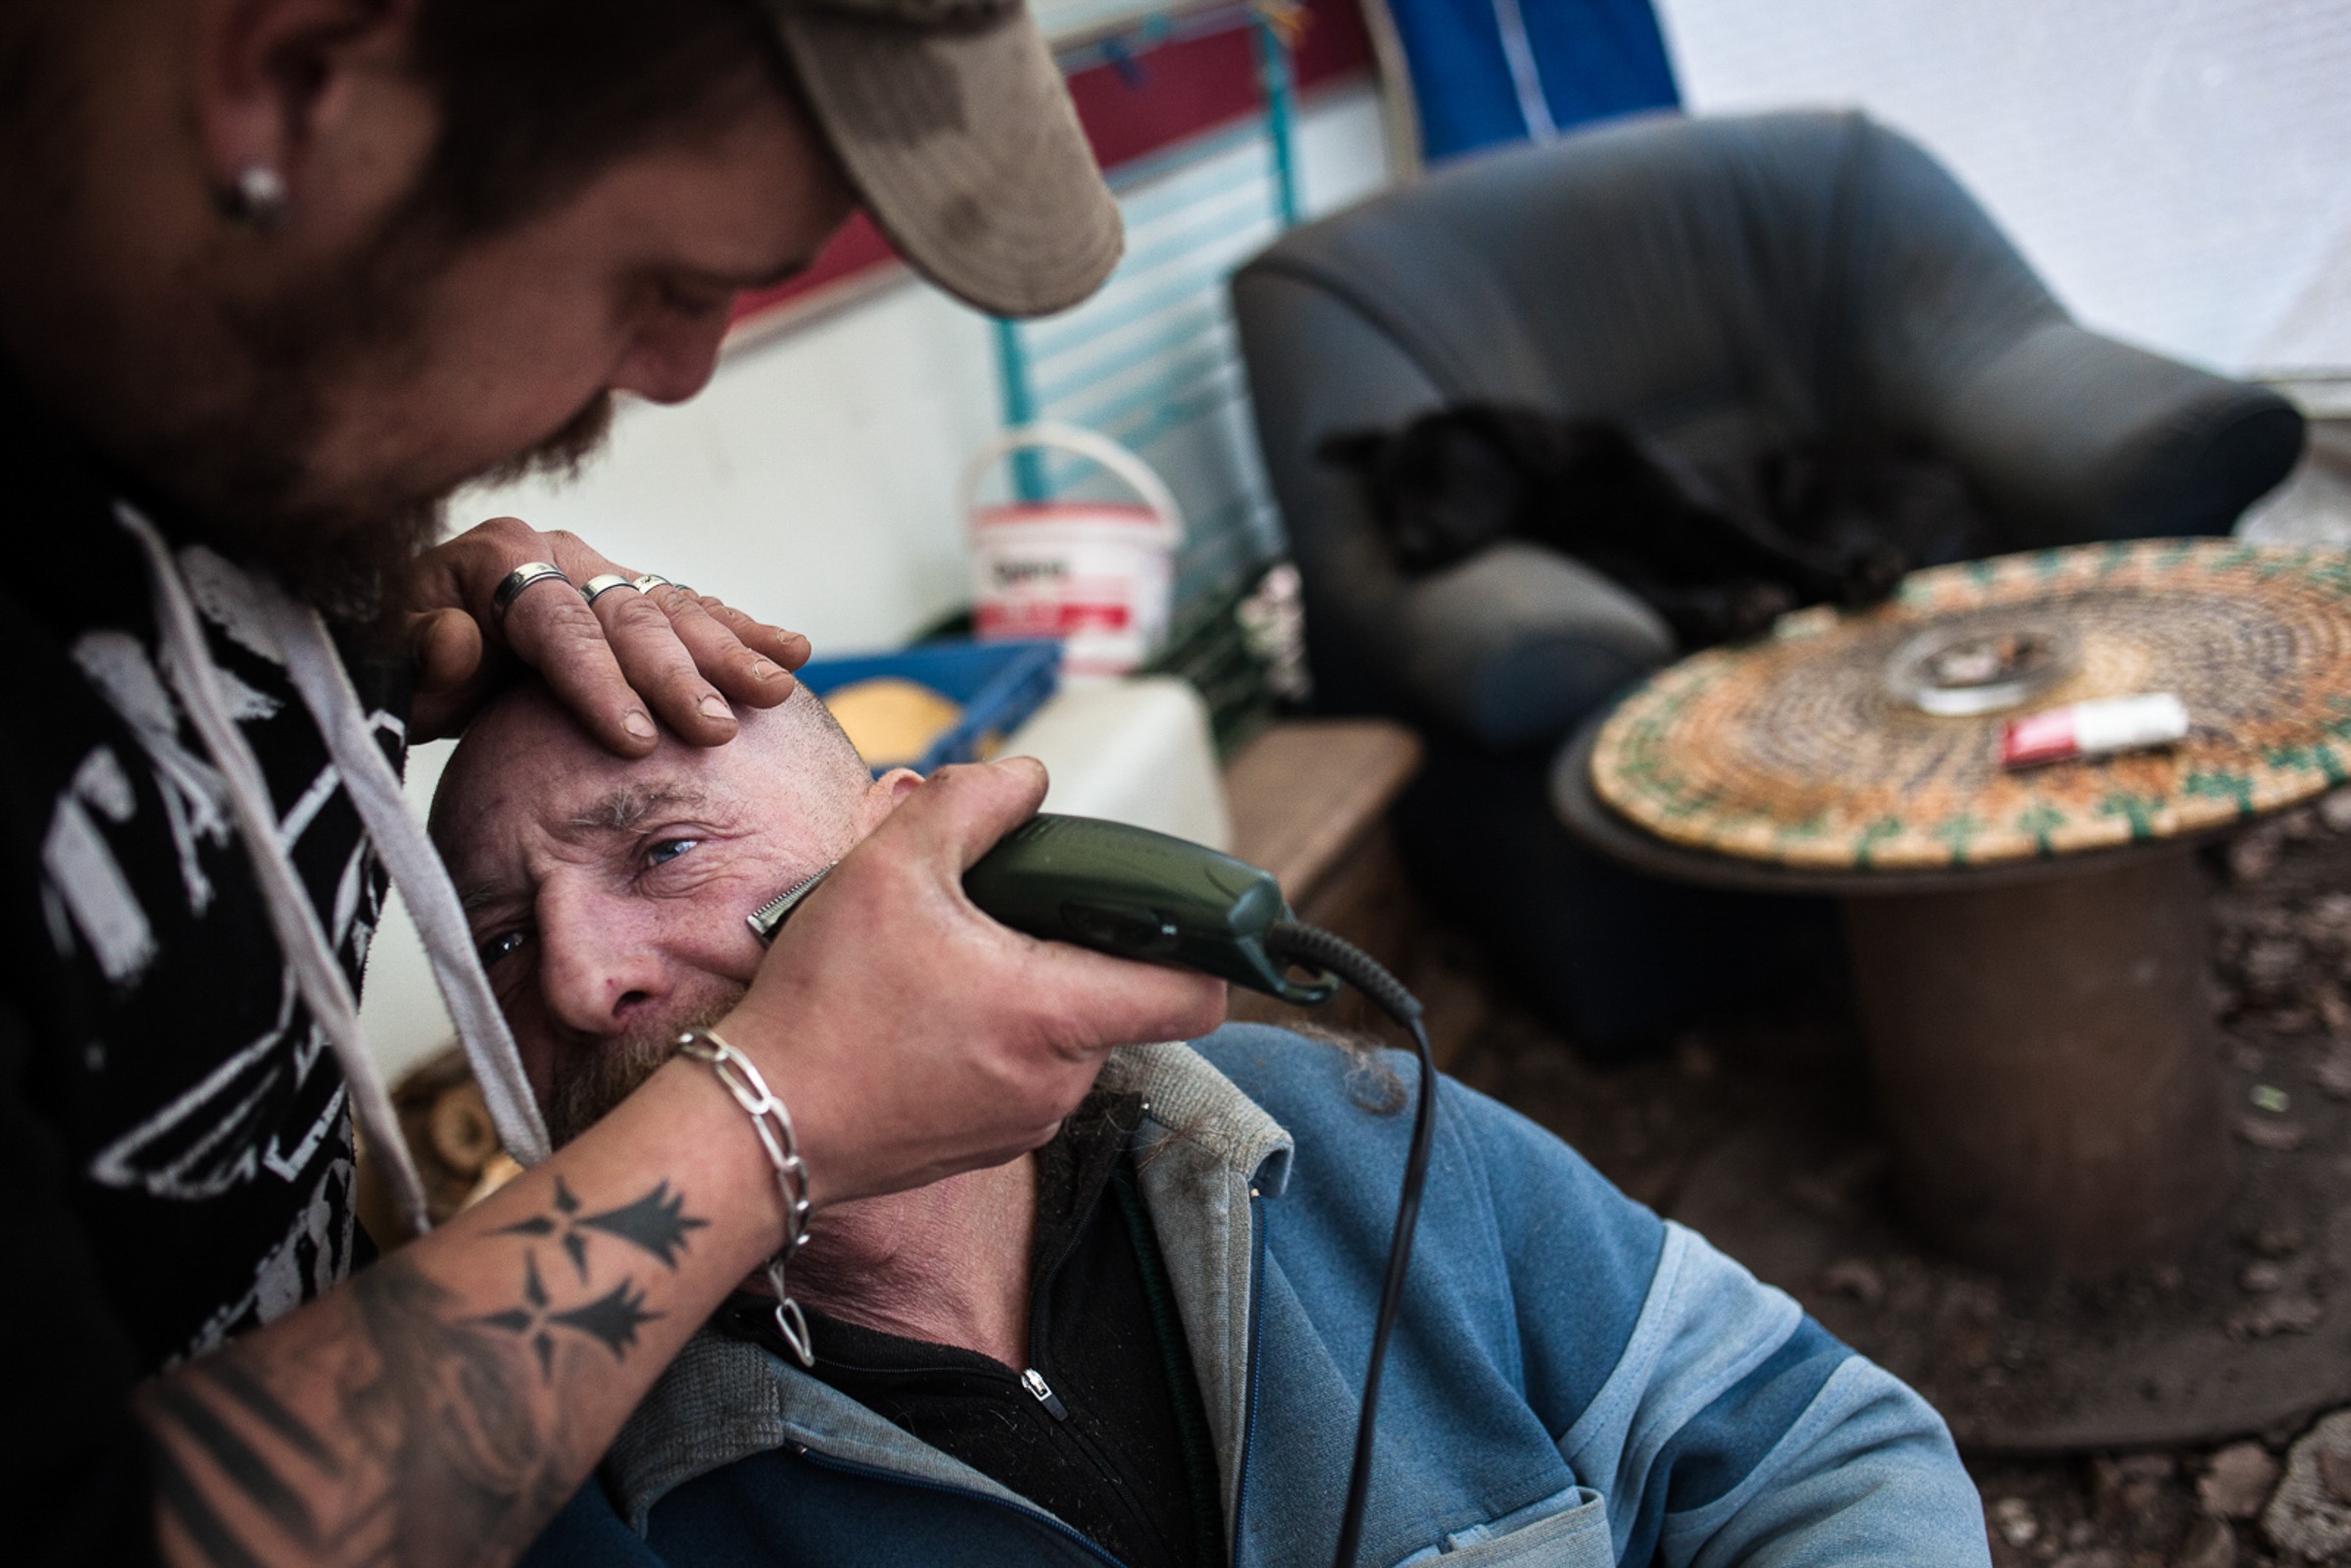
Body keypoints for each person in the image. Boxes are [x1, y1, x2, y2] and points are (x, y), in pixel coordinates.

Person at [2, 4, 1225, 1565]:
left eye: (661, 851)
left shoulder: (218, 454)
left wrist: (366, 627)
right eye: (665, 285)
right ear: (299, 75)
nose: (681, 375)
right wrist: (771, 1116)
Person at [425, 678, 1994, 1568]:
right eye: (495, 940)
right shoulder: (579, 1491)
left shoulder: (1344, 1124)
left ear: (915, 849)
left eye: (667, 850)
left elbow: (1817, 1456)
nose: (577, 974)